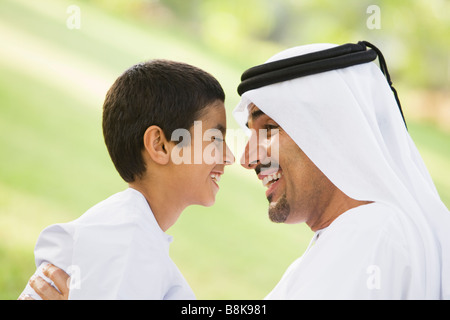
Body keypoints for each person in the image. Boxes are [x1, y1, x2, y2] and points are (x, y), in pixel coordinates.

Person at [25, 41, 450, 300]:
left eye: (268, 128)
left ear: (329, 130)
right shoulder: (362, 233)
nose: (243, 158)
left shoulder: (370, 235)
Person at [18, 59, 234, 300]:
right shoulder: (127, 240)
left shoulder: (133, 232)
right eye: (215, 139)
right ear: (160, 145)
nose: (229, 157)